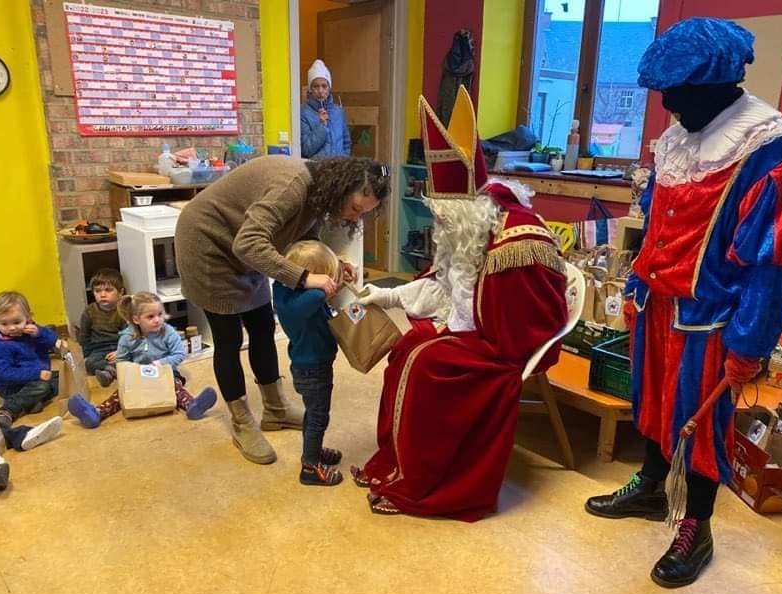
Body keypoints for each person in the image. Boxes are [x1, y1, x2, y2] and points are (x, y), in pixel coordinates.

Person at [584, 17, 782, 589]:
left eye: (678, 93)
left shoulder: (768, 154)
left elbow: (773, 263)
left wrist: (748, 343)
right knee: (654, 404)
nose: (668, 106)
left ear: (717, 86)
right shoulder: (679, 141)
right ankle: (651, 485)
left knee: (701, 420)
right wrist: (637, 284)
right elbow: (656, 224)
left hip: (713, 319)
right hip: (658, 304)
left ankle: (697, 523)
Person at [351, 86, 568, 521]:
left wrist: (455, 331)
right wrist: (388, 295)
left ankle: (432, 482)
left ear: (470, 205)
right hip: (476, 329)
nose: (440, 221)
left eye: (446, 213)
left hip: (508, 342)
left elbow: (523, 321)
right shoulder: (465, 229)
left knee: (428, 366)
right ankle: (398, 463)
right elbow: (446, 286)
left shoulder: (517, 237)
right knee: (405, 350)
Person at [175, 155, 390, 465]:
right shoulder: (292, 186)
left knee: (262, 326)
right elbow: (248, 244)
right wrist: (304, 277)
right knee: (228, 338)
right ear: (342, 188)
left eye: (363, 214)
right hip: (208, 242)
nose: (354, 218)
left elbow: (303, 236)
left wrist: (332, 263)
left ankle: (275, 410)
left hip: (244, 246)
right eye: (355, 208)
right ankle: (242, 422)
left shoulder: (320, 193)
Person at [67, 292, 217, 427]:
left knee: (176, 388)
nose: (157, 320)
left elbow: (179, 354)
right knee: (120, 395)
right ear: (136, 319)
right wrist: (131, 371)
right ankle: (96, 413)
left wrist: (160, 363)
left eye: (160, 314)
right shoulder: (127, 337)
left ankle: (192, 405)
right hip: (137, 376)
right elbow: (122, 360)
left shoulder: (168, 332)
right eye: (150, 317)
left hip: (165, 373)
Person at [273, 240, 343, 484]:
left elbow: (313, 293)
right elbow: (316, 295)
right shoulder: (300, 304)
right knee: (318, 417)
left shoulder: (285, 293)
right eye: (326, 277)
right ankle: (310, 468)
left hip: (308, 366)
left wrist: (335, 273)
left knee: (312, 414)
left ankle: (312, 451)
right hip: (313, 369)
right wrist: (324, 286)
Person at [0, 291, 63, 452]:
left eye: (17, 322)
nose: (12, 328)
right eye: (4, 324)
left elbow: (52, 341)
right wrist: (36, 374)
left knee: (61, 377)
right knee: (42, 386)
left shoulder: (30, 331)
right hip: (12, 386)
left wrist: (39, 333)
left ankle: (32, 402)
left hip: (35, 376)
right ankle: (7, 410)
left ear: (28, 317)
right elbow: (2, 373)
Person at [78, 268, 127, 387]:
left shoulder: (124, 310)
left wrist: (120, 352)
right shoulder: (89, 311)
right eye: (97, 291)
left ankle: (109, 372)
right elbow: (84, 336)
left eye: (108, 290)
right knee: (88, 363)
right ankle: (110, 370)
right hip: (99, 349)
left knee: (137, 358)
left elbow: (130, 335)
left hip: (120, 347)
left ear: (120, 292)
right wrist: (85, 355)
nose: (103, 295)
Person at [300, 59, 351, 159]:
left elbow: (346, 143)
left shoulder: (338, 112)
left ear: (329, 88)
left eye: (324, 86)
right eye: (316, 86)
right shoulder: (303, 112)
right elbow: (306, 149)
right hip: (316, 167)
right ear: (310, 89)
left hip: (338, 166)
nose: (320, 91)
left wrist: (343, 161)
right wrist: (322, 127)